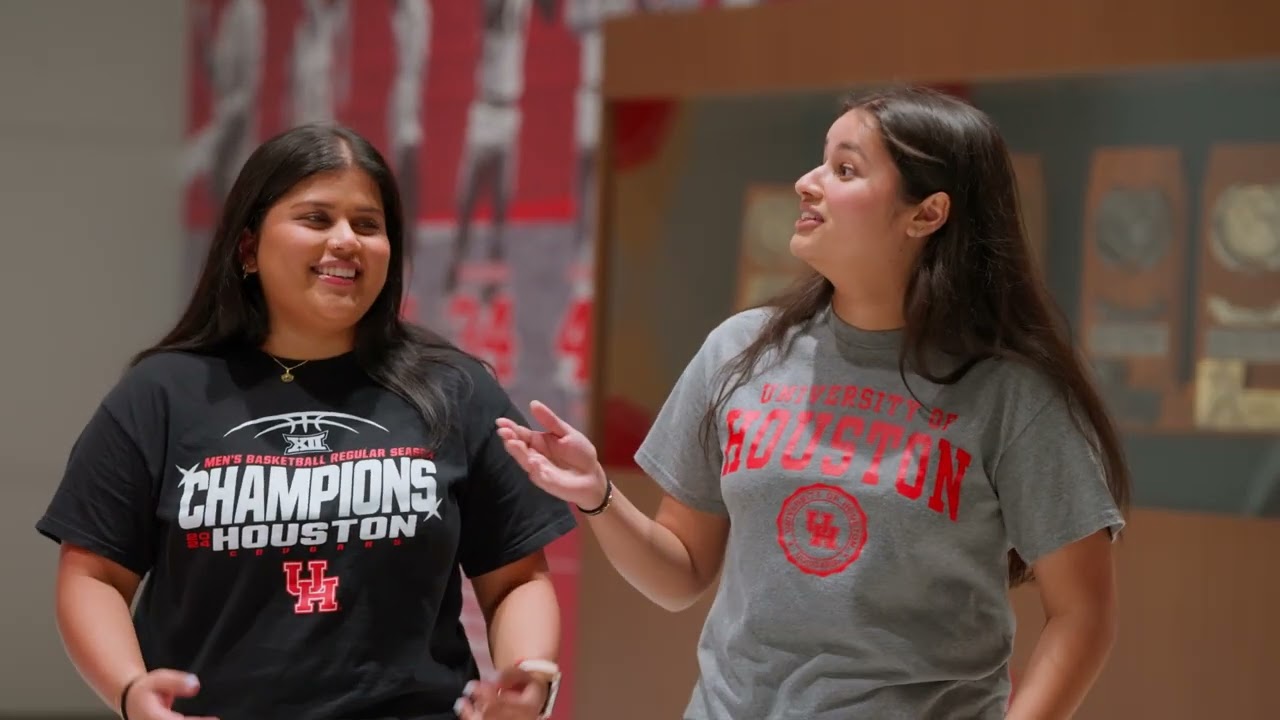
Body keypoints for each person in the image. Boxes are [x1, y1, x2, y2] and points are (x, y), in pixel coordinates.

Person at [496, 86, 1130, 719]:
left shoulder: (1011, 392)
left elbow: (1081, 617)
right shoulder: (739, 350)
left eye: (845, 169)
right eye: (820, 161)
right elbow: (679, 573)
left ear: (927, 213)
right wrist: (599, 496)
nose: (807, 182)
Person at [36, 124, 576, 720]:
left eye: (368, 225)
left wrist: (529, 679)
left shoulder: (456, 389)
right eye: (316, 219)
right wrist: (131, 690)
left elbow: (517, 578)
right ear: (247, 248)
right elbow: (94, 575)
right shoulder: (161, 393)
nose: (347, 240)